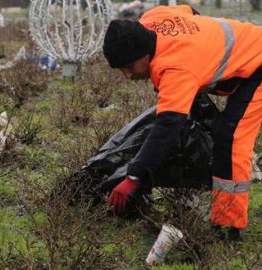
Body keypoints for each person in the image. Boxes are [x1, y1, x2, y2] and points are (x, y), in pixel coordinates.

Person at [103, 5, 262, 240]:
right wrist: (203, 46)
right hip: (248, 50)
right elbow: (189, 9)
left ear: (145, 55)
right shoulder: (152, 19)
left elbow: (167, 127)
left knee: (231, 140)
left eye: (128, 67)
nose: (127, 75)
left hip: (258, 66)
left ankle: (228, 226)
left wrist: (134, 177)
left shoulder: (177, 68)